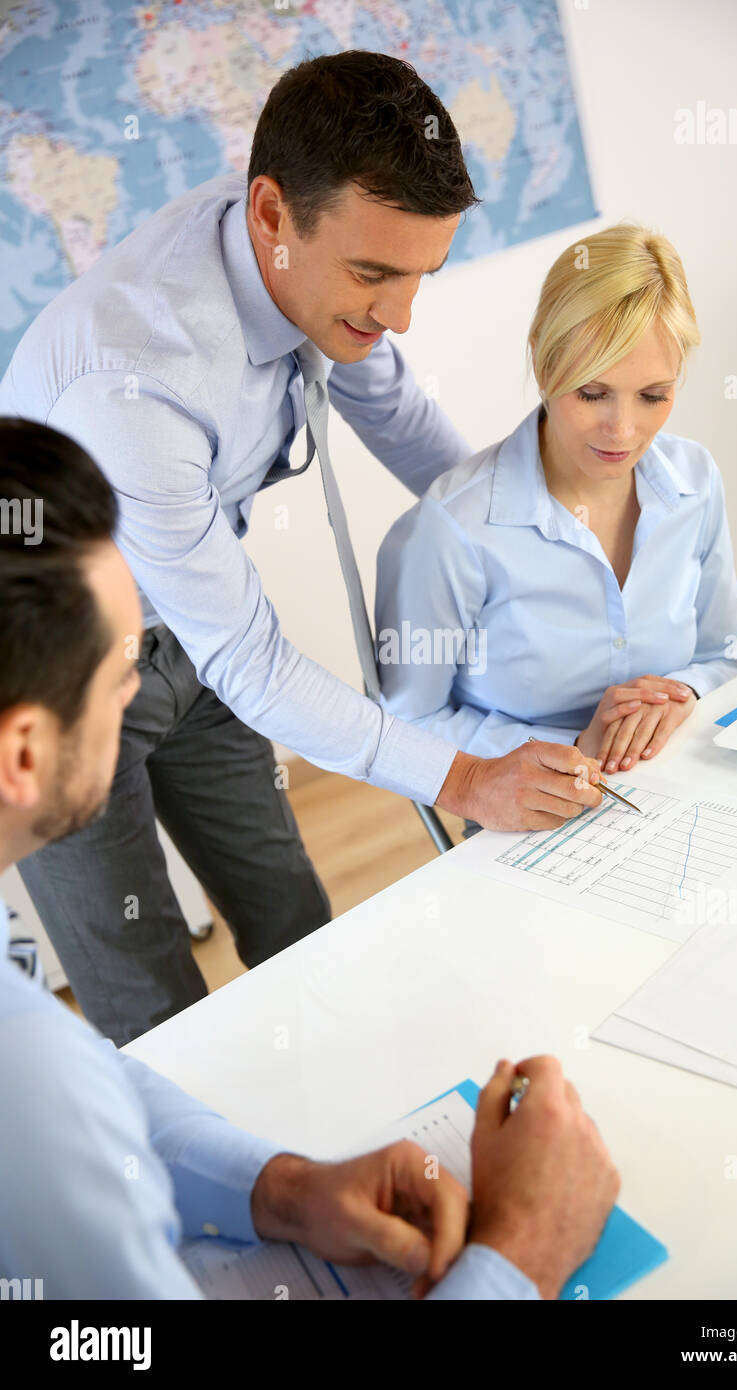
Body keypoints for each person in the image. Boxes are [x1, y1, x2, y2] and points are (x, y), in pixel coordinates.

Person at [0, 51, 601, 1046]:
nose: (396, 314)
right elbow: (254, 658)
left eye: (418, 276)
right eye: (373, 275)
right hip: (50, 671)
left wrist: (525, 547)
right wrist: (460, 779)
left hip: (189, 633)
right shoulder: (135, 382)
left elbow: (396, 409)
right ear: (273, 216)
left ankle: (335, 1128)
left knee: (293, 918)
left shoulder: (288, 249)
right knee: (149, 1003)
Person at [0, 418, 620, 1299]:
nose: (142, 685)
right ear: (25, 755)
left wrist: (281, 1190)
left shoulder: (42, 1065)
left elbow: (90, 1090)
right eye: (119, 673)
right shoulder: (28, 1074)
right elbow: (56, 1099)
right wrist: (521, 1254)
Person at [375, 224, 737, 812]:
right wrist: (572, 746)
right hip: (529, 816)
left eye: (653, 396)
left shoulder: (696, 482)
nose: (623, 431)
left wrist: (686, 693)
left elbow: (728, 656)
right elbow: (404, 728)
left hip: (684, 786)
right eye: (592, 393)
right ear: (544, 365)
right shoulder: (450, 532)